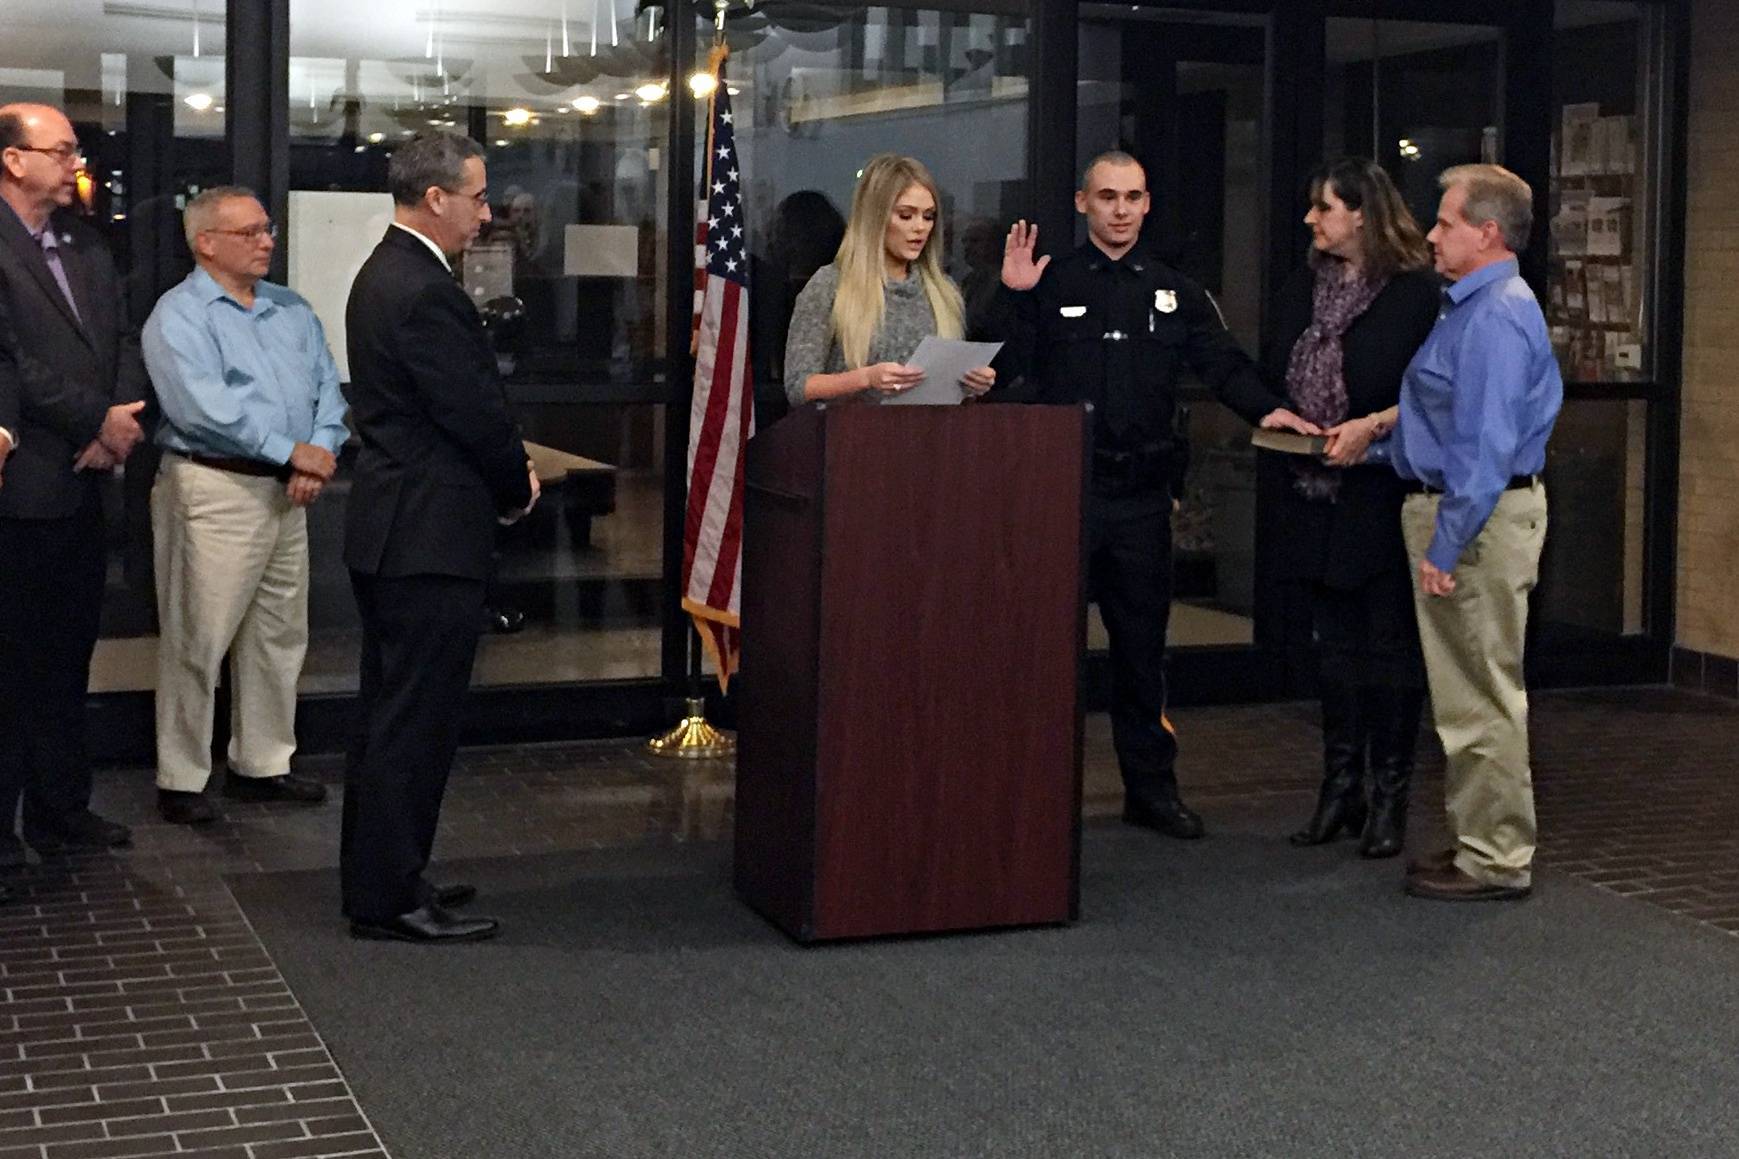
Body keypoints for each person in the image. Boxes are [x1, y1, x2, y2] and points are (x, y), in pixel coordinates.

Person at [987, 150, 1313, 839]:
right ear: (1082, 203)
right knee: (1044, 652)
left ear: (1146, 203)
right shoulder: (1050, 280)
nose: (1120, 210)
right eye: (1106, 197)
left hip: (1138, 495)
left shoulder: (1174, 290)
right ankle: (1033, 790)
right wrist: (1012, 296)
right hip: (1062, 494)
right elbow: (991, 368)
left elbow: (1220, 362)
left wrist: (1266, 409)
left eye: (1132, 196)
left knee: (1141, 652)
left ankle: (1151, 790)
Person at [341, 131, 539, 943]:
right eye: (478, 197)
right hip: (426, 534)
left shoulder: (384, 272)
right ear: (436, 198)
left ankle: (390, 876)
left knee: (394, 717)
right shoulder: (423, 288)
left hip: (398, 530)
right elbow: (470, 410)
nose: (486, 213)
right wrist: (512, 482)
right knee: (412, 724)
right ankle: (388, 897)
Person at [1346, 164, 1563, 901]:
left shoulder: (1496, 313)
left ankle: (1496, 857)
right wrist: (1376, 442)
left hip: (1475, 519)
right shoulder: (1467, 306)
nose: (1431, 235)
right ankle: (1479, 842)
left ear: (1487, 232)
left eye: (1444, 222)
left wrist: (1445, 545)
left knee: (1480, 697)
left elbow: (1483, 444)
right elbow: (1446, 419)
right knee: (1465, 693)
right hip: (1464, 509)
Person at [140, 187, 347, 825]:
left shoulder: (291, 308)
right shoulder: (179, 316)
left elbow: (327, 391)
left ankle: (262, 765)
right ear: (206, 243)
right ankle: (181, 778)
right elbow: (201, 409)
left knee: (279, 635)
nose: (267, 241)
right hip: (214, 488)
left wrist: (316, 452)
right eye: (250, 232)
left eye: (268, 230)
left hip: (287, 491)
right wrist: (294, 453)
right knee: (198, 635)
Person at [1260, 158, 1441, 859]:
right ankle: (1339, 788)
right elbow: (1271, 359)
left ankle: (1389, 795)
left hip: (1379, 489)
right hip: (1312, 492)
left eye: (1324, 207)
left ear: (1362, 214)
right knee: (1331, 649)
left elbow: (1435, 391)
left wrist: (1372, 424)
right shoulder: (1303, 285)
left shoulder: (1412, 294)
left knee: (1388, 649)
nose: (1311, 219)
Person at [0, 103, 149, 862]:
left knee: (67, 660)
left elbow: (121, 337)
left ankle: (62, 810)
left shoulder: (87, 244)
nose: (75, 164)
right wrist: (98, 418)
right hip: (20, 488)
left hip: (86, 486)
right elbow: (11, 366)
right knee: (11, 668)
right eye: (60, 151)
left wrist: (116, 418)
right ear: (13, 160)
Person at [783, 154, 995, 408]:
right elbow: (798, 386)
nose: (920, 227)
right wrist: (866, 378)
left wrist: (970, 383)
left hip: (929, 438)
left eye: (928, 216)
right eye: (906, 215)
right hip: (852, 438)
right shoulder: (831, 285)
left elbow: (946, 386)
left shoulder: (943, 291)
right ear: (875, 218)